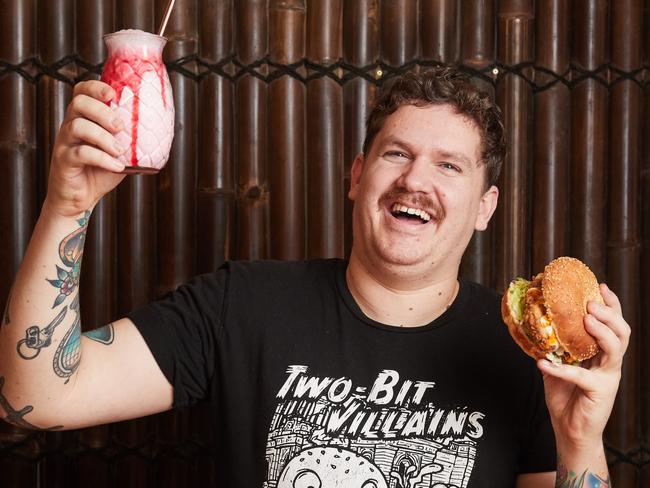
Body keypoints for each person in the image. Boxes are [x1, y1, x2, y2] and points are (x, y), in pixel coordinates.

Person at [0, 67, 629, 488]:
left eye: (449, 166)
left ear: (485, 207)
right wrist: (68, 204)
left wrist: (578, 441)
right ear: (357, 176)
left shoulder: (528, 357)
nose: (415, 181)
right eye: (396, 154)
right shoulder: (242, 304)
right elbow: (37, 398)